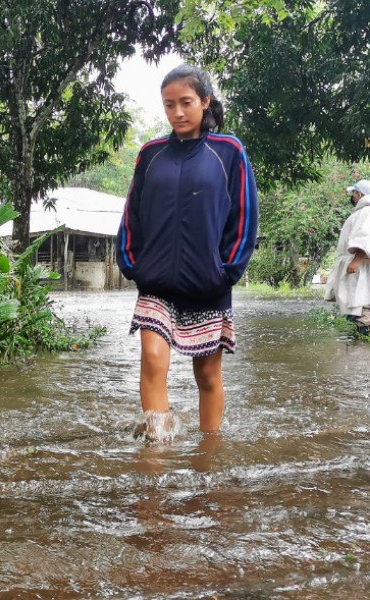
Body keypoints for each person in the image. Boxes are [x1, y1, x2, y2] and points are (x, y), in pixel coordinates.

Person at [115, 64, 259, 441]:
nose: (177, 112)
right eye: (169, 105)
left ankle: (208, 455)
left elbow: (244, 216)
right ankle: (157, 451)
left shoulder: (228, 151)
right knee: (151, 360)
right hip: (156, 281)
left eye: (186, 103)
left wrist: (226, 271)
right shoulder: (150, 154)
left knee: (208, 376)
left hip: (208, 282)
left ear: (205, 101)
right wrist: (132, 264)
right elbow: (132, 214)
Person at [323, 179, 370, 333]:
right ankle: (359, 344)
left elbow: (365, 237)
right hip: (356, 264)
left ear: (359, 193)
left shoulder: (367, 211)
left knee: (360, 303)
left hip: (359, 265)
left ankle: (362, 341)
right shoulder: (361, 211)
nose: (352, 196)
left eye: (354, 193)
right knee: (355, 302)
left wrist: (356, 261)